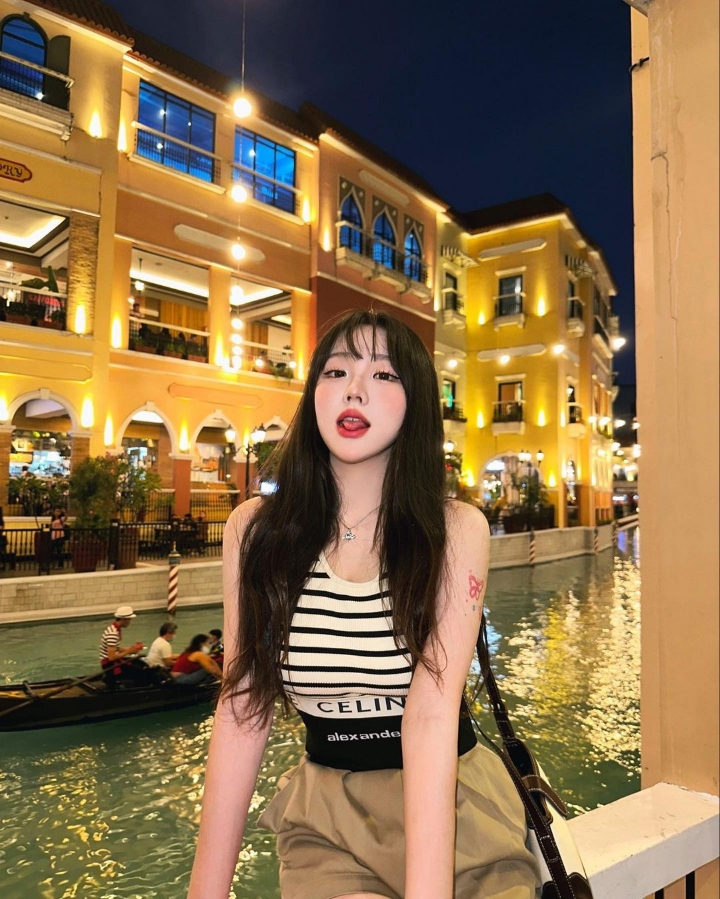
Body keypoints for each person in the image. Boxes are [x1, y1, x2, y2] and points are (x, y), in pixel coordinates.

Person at [186, 310, 538, 899]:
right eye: (336, 371)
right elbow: (243, 704)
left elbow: (430, 715)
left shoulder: (454, 531)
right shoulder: (256, 531)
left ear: (416, 402)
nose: (354, 389)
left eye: (384, 374)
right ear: (313, 394)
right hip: (331, 816)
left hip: (453, 807)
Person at [99, 605, 146, 688]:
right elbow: (111, 657)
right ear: (124, 619)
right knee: (140, 671)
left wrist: (131, 649)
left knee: (139, 663)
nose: (130, 622)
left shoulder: (113, 629)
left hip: (111, 662)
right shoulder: (113, 634)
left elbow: (115, 648)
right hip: (110, 665)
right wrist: (129, 651)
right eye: (129, 619)